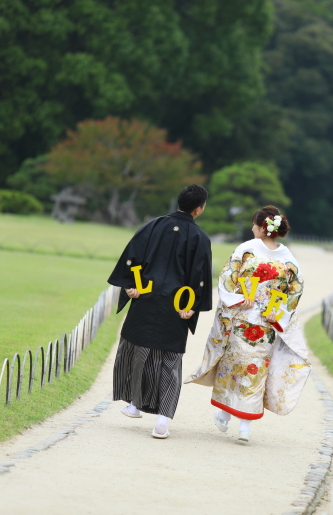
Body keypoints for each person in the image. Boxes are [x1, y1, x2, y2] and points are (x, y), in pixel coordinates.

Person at [185, 205, 311, 443]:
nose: (252, 228)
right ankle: (224, 411)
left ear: (263, 228)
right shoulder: (250, 250)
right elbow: (228, 278)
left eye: (255, 224)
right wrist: (239, 299)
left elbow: (295, 291)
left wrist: (278, 312)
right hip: (241, 319)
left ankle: (245, 426)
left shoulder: (283, 257)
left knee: (256, 372)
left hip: (264, 325)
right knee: (232, 366)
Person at [107, 184, 212, 439]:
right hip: (177, 305)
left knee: (138, 352)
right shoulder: (200, 238)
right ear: (199, 209)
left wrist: (131, 287)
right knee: (169, 361)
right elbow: (199, 279)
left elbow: (132, 259)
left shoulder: (152, 226)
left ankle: (134, 404)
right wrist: (192, 308)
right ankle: (162, 421)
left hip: (146, 298)